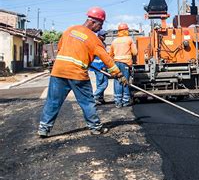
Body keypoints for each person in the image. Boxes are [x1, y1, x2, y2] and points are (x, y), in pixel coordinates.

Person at [38, 7, 128, 138]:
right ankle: (95, 127)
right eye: (100, 24)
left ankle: (44, 128)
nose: (100, 28)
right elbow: (107, 58)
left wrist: (85, 58)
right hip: (77, 74)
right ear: (93, 21)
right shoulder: (93, 39)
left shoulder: (70, 30)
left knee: (53, 101)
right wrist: (119, 74)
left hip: (58, 71)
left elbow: (61, 48)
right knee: (87, 102)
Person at [110, 23, 137, 108]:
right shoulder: (129, 39)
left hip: (116, 63)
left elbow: (110, 54)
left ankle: (118, 101)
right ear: (126, 30)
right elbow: (135, 52)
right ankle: (125, 101)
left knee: (117, 81)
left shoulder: (114, 41)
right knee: (125, 81)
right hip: (125, 63)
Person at [90, 30, 109, 105]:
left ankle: (100, 98)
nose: (104, 37)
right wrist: (103, 66)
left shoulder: (102, 43)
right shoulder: (98, 44)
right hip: (99, 66)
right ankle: (94, 97)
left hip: (97, 66)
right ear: (99, 36)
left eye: (105, 35)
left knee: (99, 83)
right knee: (104, 83)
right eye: (103, 36)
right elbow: (101, 56)